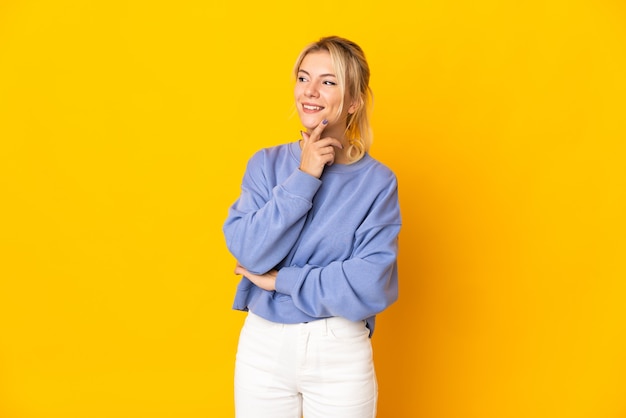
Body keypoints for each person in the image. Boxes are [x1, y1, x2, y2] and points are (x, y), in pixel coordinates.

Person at [223, 35, 401, 418]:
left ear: (354, 101)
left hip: (338, 346)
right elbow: (248, 251)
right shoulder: (266, 165)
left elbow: (369, 282)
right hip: (263, 344)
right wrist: (305, 176)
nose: (311, 91)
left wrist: (279, 281)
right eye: (304, 78)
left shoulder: (377, 183)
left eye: (328, 81)